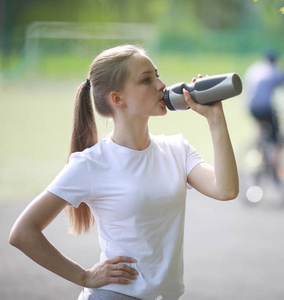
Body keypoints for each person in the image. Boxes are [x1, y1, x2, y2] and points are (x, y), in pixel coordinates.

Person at [9, 44, 239, 300]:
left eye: (157, 75)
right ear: (118, 99)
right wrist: (84, 277)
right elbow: (23, 232)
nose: (162, 85)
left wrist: (215, 117)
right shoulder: (91, 163)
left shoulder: (177, 149)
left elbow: (226, 189)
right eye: (146, 80)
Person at [244, 49, 284, 183]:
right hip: (265, 107)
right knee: (276, 136)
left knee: (261, 131)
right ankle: (273, 163)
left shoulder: (254, 69)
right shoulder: (275, 70)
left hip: (251, 107)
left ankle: (258, 152)